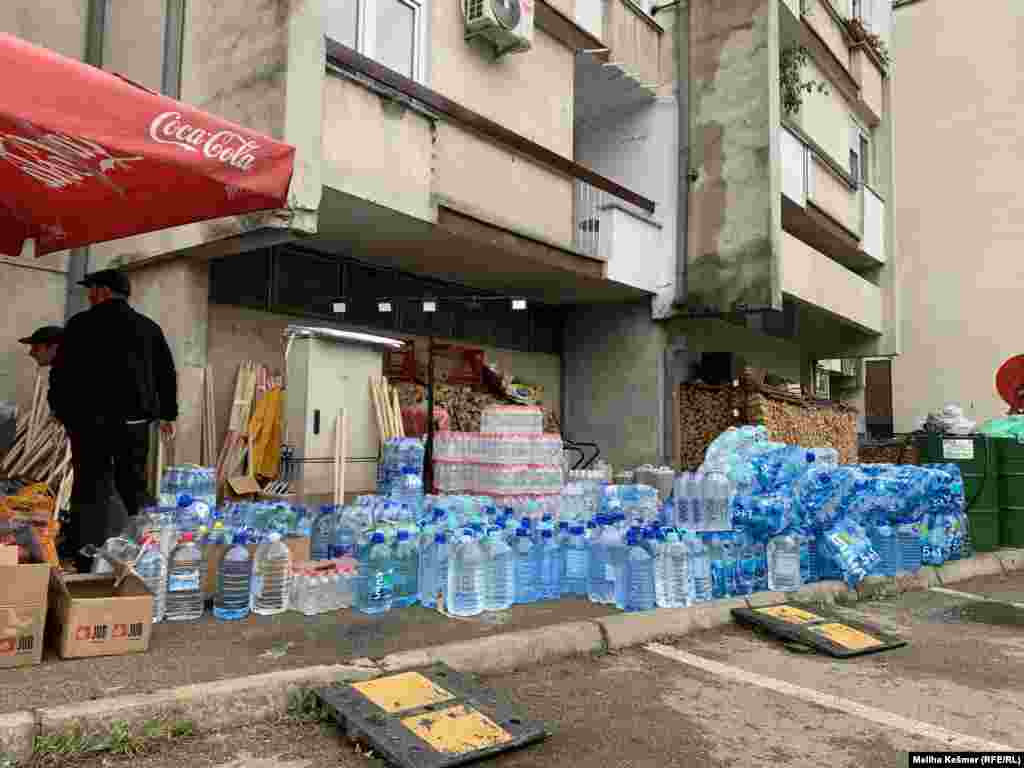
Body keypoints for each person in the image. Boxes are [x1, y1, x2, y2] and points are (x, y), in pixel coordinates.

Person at [49, 268, 178, 572]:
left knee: (88, 489)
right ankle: (149, 555)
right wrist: (167, 414)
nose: (89, 295)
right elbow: (165, 375)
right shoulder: (148, 328)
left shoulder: (80, 325)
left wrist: (59, 408)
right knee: (133, 487)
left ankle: (84, 560)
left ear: (104, 291)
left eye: (91, 290)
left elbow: (62, 372)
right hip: (133, 426)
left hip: (89, 426)